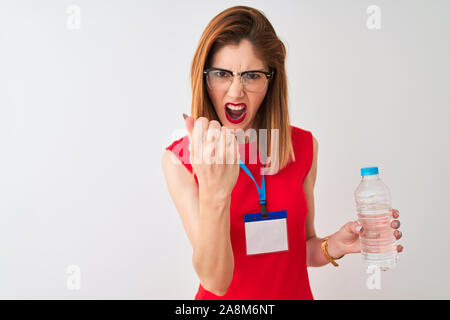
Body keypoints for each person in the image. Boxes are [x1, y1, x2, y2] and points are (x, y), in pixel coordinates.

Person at [161, 5, 403, 300]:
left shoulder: (302, 147)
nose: (236, 91)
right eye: (222, 74)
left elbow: (300, 249)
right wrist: (215, 190)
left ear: (271, 79)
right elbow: (216, 282)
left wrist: (335, 245)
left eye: (251, 75)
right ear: (204, 78)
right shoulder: (181, 160)